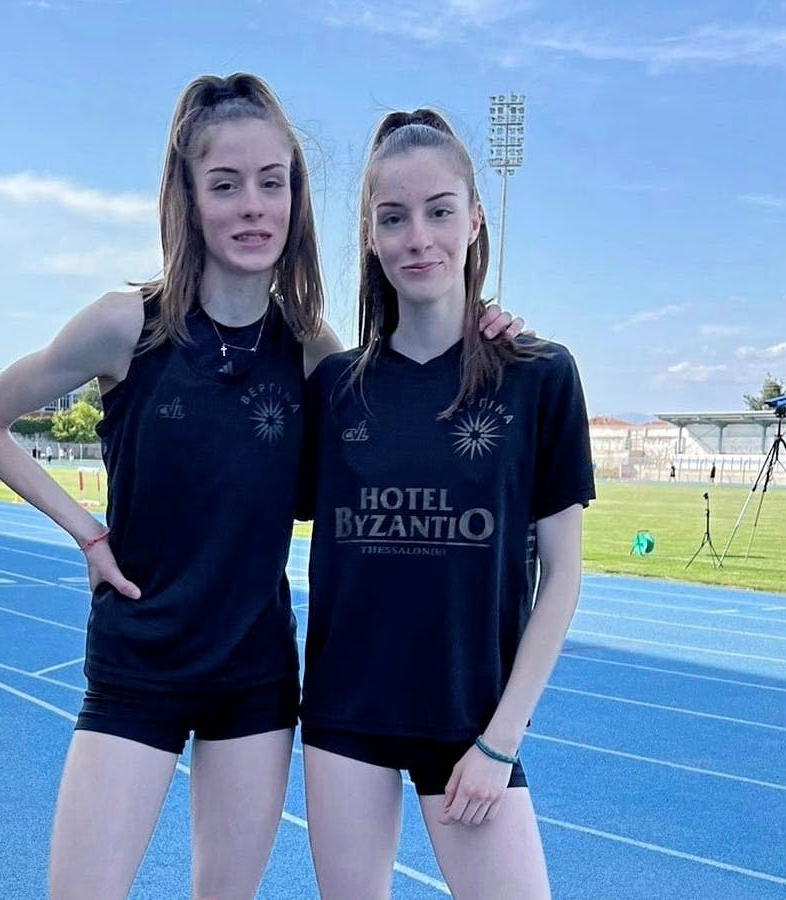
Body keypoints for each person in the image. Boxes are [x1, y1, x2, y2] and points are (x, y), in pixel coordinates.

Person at [0, 75, 524, 900]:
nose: (253, 207)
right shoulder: (125, 325)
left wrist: (485, 327)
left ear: (296, 195)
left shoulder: (312, 350)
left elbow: (417, 412)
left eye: (272, 182)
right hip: (139, 664)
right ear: (188, 199)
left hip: (253, 678)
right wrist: (87, 531)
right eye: (225, 185)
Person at [297, 109, 594, 899]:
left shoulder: (539, 376)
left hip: (472, 724)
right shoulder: (336, 388)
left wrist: (501, 742)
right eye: (393, 217)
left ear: (475, 217)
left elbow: (563, 575)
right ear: (369, 234)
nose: (418, 238)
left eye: (439, 211)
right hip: (346, 718)